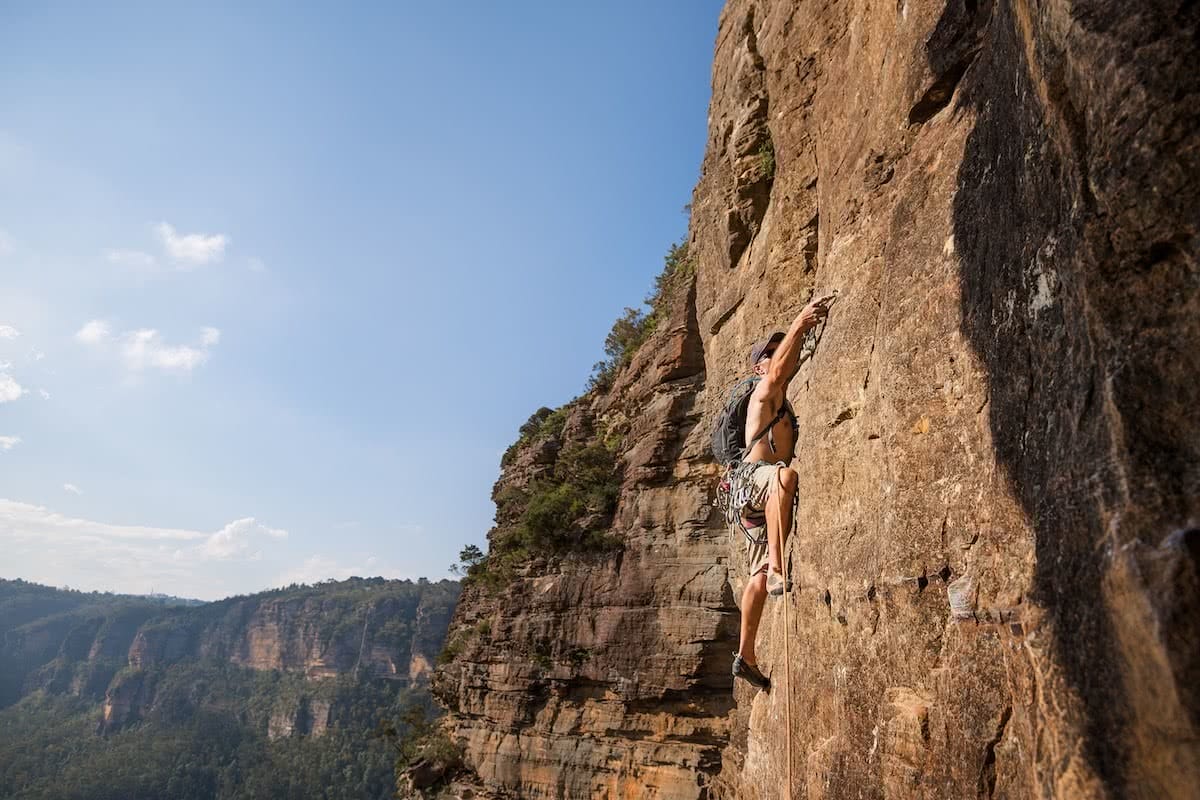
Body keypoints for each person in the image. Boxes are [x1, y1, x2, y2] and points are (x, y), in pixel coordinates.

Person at [731, 295, 833, 690]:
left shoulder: (782, 401)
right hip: (756, 480)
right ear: (759, 365)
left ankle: (747, 655)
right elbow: (776, 373)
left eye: (779, 351)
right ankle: (778, 569)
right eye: (770, 354)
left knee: (753, 577)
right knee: (785, 477)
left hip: (754, 506)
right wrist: (801, 322)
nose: (778, 357)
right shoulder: (762, 391)